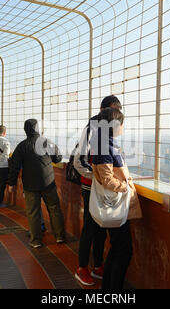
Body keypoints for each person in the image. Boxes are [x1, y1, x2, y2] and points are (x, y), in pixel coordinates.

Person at [73, 95, 122, 286]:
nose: (115, 115)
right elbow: (80, 159)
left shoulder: (109, 129)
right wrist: (97, 178)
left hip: (103, 187)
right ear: (103, 110)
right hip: (90, 186)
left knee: (102, 227)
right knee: (90, 226)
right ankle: (82, 268)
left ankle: (98, 266)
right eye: (113, 110)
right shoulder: (92, 127)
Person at [91, 108, 142, 289]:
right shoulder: (104, 146)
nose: (123, 127)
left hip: (115, 205)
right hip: (116, 204)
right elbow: (106, 178)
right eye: (121, 123)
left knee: (117, 248)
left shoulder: (103, 143)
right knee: (124, 250)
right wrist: (125, 187)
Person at [8, 119, 66, 249]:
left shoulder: (22, 146)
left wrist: (11, 183)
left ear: (26, 130)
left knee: (33, 212)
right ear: (38, 128)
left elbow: (14, 166)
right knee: (54, 208)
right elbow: (58, 158)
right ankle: (60, 236)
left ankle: (36, 241)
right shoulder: (47, 142)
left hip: (30, 185)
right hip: (48, 182)